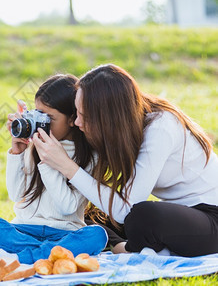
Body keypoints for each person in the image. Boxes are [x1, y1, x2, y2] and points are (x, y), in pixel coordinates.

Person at [32, 64, 218, 257]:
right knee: (88, 216)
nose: (77, 123)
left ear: (107, 117)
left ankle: (126, 248)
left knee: (141, 216)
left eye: (84, 116)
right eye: (76, 113)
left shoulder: (160, 128)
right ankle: (148, 247)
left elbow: (126, 210)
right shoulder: (126, 127)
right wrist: (28, 132)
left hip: (211, 217)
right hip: (179, 215)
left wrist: (67, 166)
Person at [0, 74, 108, 264]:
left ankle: (25, 257)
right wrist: (17, 153)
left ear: (73, 119)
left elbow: (68, 207)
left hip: (65, 233)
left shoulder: (89, 156)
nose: (41, 123)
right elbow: (17, 196)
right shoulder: (33, 147)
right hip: (24, 228)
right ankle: (50, 255)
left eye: (48, 118)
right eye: (37, 114)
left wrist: (49, 160)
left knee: (97, 235)